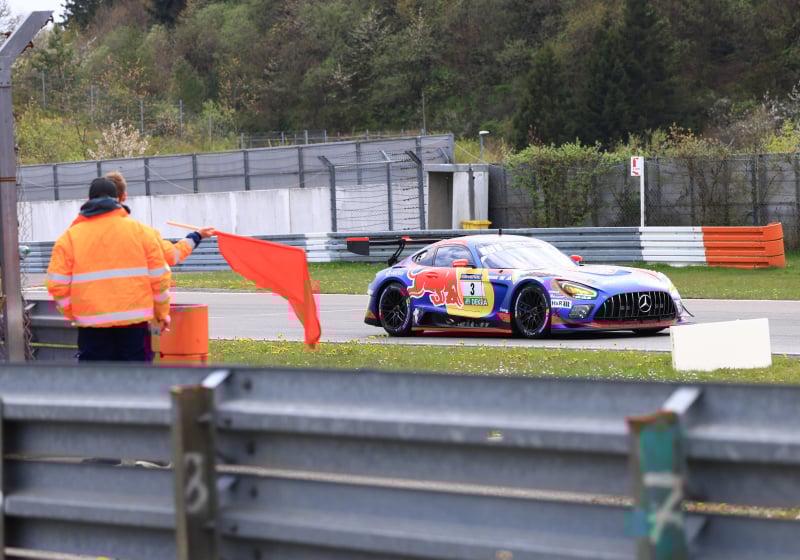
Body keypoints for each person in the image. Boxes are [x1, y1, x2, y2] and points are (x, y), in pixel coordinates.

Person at [46, 177, 172, 361]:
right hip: (134, 324)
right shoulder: (142, 233)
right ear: (119, 200)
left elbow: (56, 284)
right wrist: (161, 313)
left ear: (88, 201)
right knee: (133, 380)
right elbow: (160, 279)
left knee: (97, 383)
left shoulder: (69, 238)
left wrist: (75, 313)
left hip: (91, 325)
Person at [104, 171, 215, 266]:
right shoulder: (141, 233)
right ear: (124, 196)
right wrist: (197, 236)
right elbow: (172, 254)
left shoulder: (85, 232)